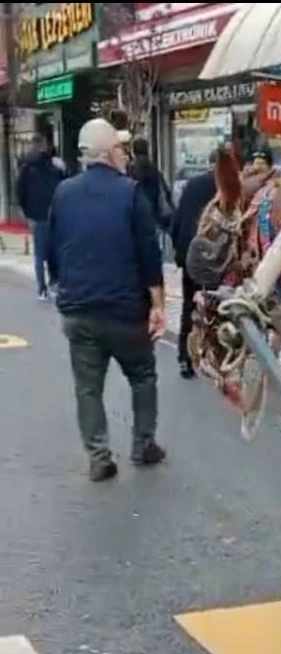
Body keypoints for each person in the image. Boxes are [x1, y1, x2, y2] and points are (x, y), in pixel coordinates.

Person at [47, 117, 166, 483]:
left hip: (79, 311)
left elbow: (52, 250)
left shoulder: (63, 193)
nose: (125, 155)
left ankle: (99, 457)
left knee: (88, 387)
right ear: (110, 152)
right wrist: (158, 305)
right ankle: (143, 445)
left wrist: (64, 286)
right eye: (121, 148)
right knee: (142, 376)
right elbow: (149, 254)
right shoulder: (131, 193)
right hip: (125, 312)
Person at [169, 152, 218, 379]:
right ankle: (212, 355)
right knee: (215, 306)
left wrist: (179, 253)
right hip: (214, 259)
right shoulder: (225, 188)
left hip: (189, 254)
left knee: (189, 305)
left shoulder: (192, 185)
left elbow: (177, 220)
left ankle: (184, 357)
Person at [16, 133, 65, 300]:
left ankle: (42, 288)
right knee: (54, 250)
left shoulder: (26, 167)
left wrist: (26, 211)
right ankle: (54, 281)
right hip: (53, 212)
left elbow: (21, 191)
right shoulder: (53, 166)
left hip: (37, 214)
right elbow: (62, 185)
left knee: (39, 253)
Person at [128, 136, 174, 234]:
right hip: (154, 215)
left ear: (134, 151)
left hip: (136, 214)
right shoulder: (154, 169)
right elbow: (165, 192)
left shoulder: (130, 170)